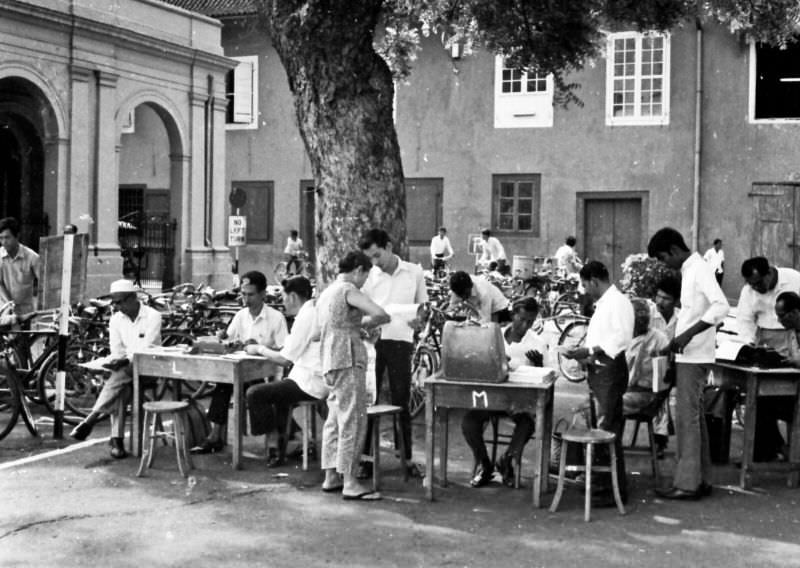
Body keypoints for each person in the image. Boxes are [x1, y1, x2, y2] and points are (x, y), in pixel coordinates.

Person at [648, 227, 728, 500]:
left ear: (672, 250)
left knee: (686, 420)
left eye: (662, 258)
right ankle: (700, 478)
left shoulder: (700, 269)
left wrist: (687, 334)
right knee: (694, 419)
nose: (663, 264)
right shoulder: (689, 270)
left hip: (695, 356)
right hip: (688, 354)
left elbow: (721, 307)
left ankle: (687, 484)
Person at [317, 251, 390, 500]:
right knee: (353, 418)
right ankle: (350, 480)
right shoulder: (348, 289)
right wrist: (367, 325)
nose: (365, 281)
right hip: (347, 357)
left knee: (334, 417)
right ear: (358, 269)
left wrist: (354, 325)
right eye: (365, 275)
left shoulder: (328, 291)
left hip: (329, 357)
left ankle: (331, 475)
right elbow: (380, 313)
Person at [191, 270, 288, 454]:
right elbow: (228, 338)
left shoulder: (276, 318)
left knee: (256, 389)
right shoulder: (241, 316)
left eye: (251, 295)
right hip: (242, 371)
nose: (246, 299)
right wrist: (222, 339)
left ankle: (272, 441)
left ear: (262, 294)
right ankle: (215, 435)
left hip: (268, 375)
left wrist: (260, 348)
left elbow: (285, 352)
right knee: (222, 382)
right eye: (243, 294)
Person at [562, 261, 634, 507]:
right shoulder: (604, 304)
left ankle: (612, 489)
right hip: (598, 369)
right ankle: (602, 483)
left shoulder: (618, 303)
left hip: (610, 372)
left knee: (607, 429)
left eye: (584, 284)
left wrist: (590, 350)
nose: (584, 290)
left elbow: (621, 338)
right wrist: (584, 354)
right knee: (600, 427)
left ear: (594, 280)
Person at [358, 228, 428, 478]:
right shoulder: (369, 277)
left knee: (402, 400)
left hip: (401, 342)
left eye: (377, 255)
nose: (375, 262)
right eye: (370, 258)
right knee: (370, 400)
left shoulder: (414, 272)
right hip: (374, 344)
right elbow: (360, 311)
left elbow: (423, 307)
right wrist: (370, 321)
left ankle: (406, 458)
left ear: (389, 246)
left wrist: (419, 321)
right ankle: (366, 459)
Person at [70, 279, 161, 458]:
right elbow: (116, 349)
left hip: (150, 367)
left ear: (133, 298)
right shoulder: (116, 320)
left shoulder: (153, 316)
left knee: (121, 375)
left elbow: (147, 347)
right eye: (114, 302)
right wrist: (114, 361)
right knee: (122, 386)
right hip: (126, 371)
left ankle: (94, 420)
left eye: (120, 302)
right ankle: (115, 440)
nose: (117, 307)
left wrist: (124, 360)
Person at [461, 297, 546, 488]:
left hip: (519, 402)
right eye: (522, 319)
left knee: (527, 424)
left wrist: (539, 366)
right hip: (492, 398)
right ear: (513, 315)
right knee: (469, 423)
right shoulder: (493, 335)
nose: (525, 326)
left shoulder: (537, 343)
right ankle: (485, 465)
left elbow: (548, 378)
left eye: (530, 322)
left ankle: (507, 461)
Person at [246, 276, 328, 467]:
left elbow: (285, 359)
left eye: (283, 297)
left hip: (310, 382)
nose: (283, 302)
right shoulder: (311, 313)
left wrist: (259, 349)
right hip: (308, 377)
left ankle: (273, 442)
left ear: (292, 296)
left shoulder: (306, 317)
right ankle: (289, 442)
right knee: (277, 395)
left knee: (255, 393)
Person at [622, 299, 671, 457]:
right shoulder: (624, 337)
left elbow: (665, 378)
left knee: (600, 408)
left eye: (644, 317)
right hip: (625, 390)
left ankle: (603, 453)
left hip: (645, 395)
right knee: (593, 406)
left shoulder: (659, 339)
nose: (642, 321)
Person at [760, 291, 800, 461]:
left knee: (765, 406)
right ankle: (775, 450)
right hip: (795, 389)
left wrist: (794, 362)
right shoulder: (792, 332)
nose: (779, 321)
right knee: (761, 401)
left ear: (796, 313)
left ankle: (781, 451)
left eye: (782, 316)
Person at [736, 256, 800, 357]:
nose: (756, 288)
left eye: (759, 283)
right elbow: (744, 319)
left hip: (792, 337)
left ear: (769, 273)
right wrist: (748, 343)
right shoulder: (747, 291)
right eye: (751, 284)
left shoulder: (794, 278)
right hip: (763, 338)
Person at [0, 217, 40, 316]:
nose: (4, 242)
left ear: (17, 236)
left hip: (26, 312)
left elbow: (44, 282)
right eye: (1, 238)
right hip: (3, 309)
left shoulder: (32, 257)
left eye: (7, 237)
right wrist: (9, 303)